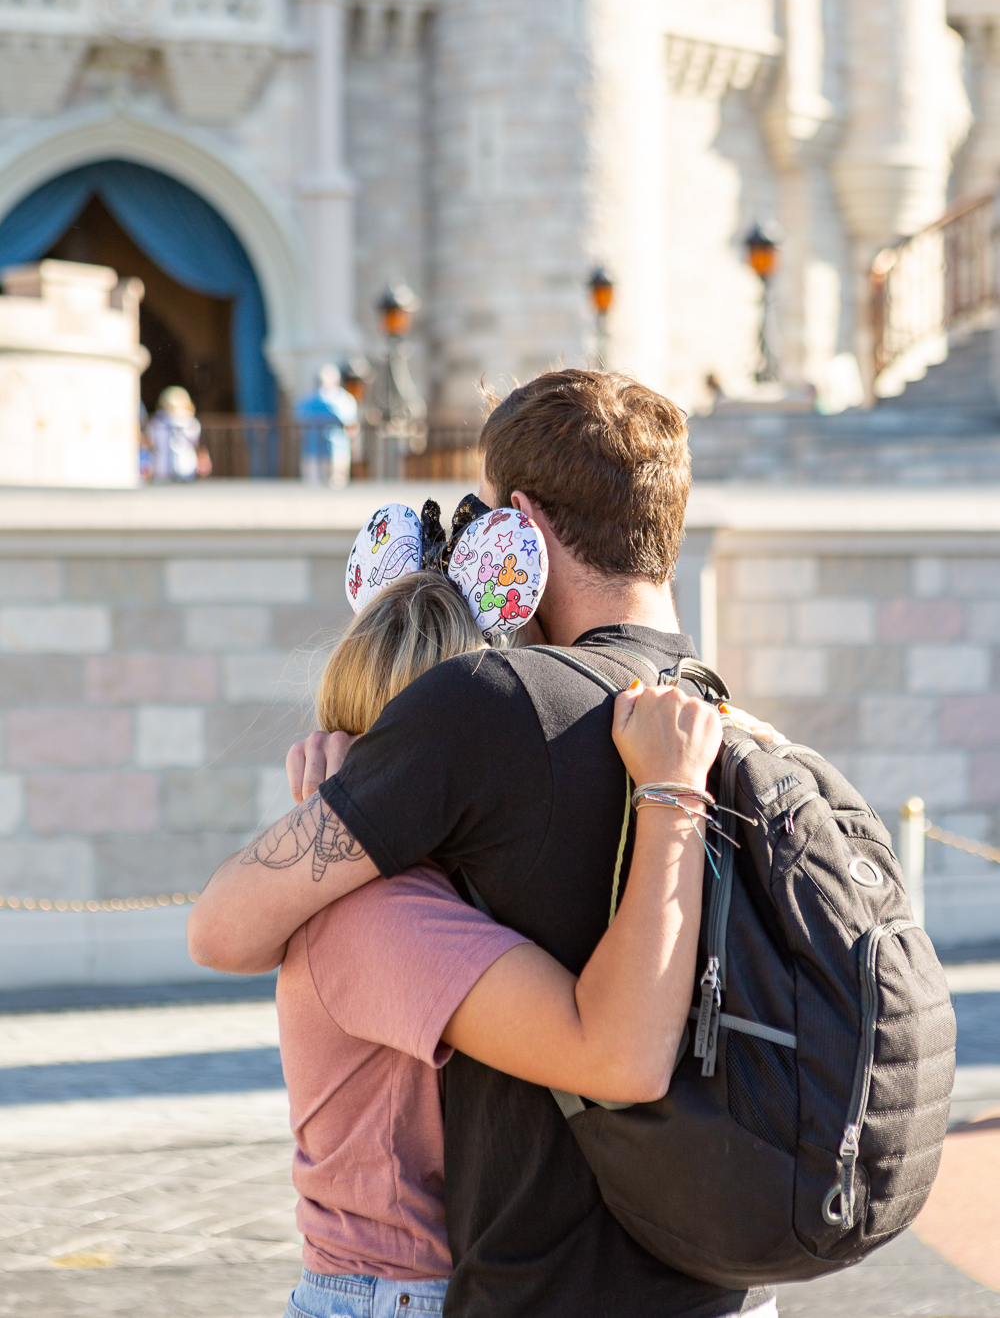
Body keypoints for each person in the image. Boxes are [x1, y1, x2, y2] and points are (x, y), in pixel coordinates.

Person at [189, 368, 779, 1318]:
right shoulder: (718, 717)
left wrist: (336, 822)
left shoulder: (492, 721)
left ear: (524, 528)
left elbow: (219, 928)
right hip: (725, 1261)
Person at [274, 568, 719, 1318]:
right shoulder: (384, 916)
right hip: (397, 1293)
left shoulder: (398, 888)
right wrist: (669, 796)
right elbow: (614, 1054)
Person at [296, 365, 359, 488]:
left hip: (312, 451)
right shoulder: (344, 400)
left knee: (312, 489)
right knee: (336, 487)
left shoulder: (305, 401)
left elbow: (298, 428)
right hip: (338, 450)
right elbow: (352, 428)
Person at [146, 386, 208, 482]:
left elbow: (151, 445)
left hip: (170, 470)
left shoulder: (156, 423)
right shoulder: (157, 424)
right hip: (177, 470)